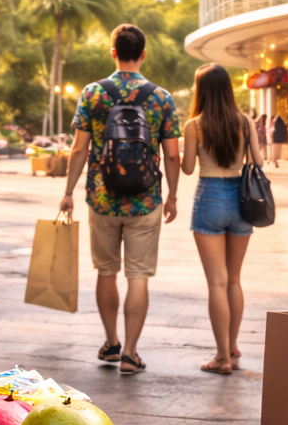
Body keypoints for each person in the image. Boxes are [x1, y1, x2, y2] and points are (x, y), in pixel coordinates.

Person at [60, 24, 181, 376]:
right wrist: (172, 194)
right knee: (139, 276)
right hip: (145, 201)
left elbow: (79, 148)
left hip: (102, 197)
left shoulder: (94, 94)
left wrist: (68, 192)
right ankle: (131, 353)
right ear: (143, 54)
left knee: (106, 271)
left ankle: (111, 342)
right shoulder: (161, 97)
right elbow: (172, 155)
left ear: (113, 52)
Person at [180, 64, 261, 374]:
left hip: (209, 197)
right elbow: (259, 161)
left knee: (217, 281)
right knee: (234, 279)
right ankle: (232, 346)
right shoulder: (245, 122)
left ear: (201, 90)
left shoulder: (194, 125)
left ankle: (221, 358)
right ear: (228, 88)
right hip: (241, 199)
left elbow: (188, 168)